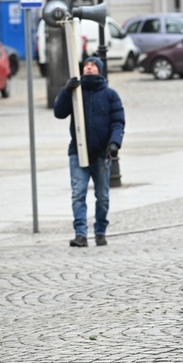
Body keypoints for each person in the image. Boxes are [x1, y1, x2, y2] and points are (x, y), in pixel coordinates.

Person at [54, 56, 125, 248]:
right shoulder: (76, 92)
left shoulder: (110, 95)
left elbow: (118, 122)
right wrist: (65, 91)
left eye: (93, 65)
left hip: (102, 154)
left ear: (99, 70)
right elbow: (59, 113)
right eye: (86, 65)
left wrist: (114, 144)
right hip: (77, 152)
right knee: (78, 193)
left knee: (102, 197)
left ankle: (100, 231)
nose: (89, 67)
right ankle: (80, 234)